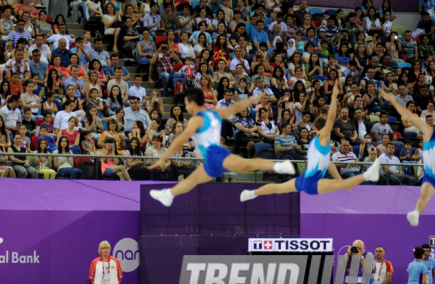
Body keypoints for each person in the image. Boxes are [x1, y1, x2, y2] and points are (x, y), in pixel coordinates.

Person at [148, 89, 295, 207]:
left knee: (245, 164)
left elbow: (179, 140)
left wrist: (163, 157)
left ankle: (280, 166)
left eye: (186, 104)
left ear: (192, 103)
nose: (186, 107)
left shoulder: (197, 119)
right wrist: (251, 100)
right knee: (191, 181)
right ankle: (168, 195)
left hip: (215, 153)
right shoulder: (214, 113)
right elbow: (235, 107)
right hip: (210, 160)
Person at [241, 83, 381, 202]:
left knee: (278, 188)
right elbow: (331, 117)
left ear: (314, 127)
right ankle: (367, 175)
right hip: (312, 182)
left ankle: (252, 193)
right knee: (338, 184)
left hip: (303, 179)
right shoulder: (321, 140)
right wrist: (333, 97)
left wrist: (341, 181)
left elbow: (329, 163)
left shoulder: (315, 142)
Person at [380, 90, 435, 226]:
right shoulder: (429, 132)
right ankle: (415, 214)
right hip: (430, 175)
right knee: (425, 194)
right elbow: (409, 116)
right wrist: (393, 101)